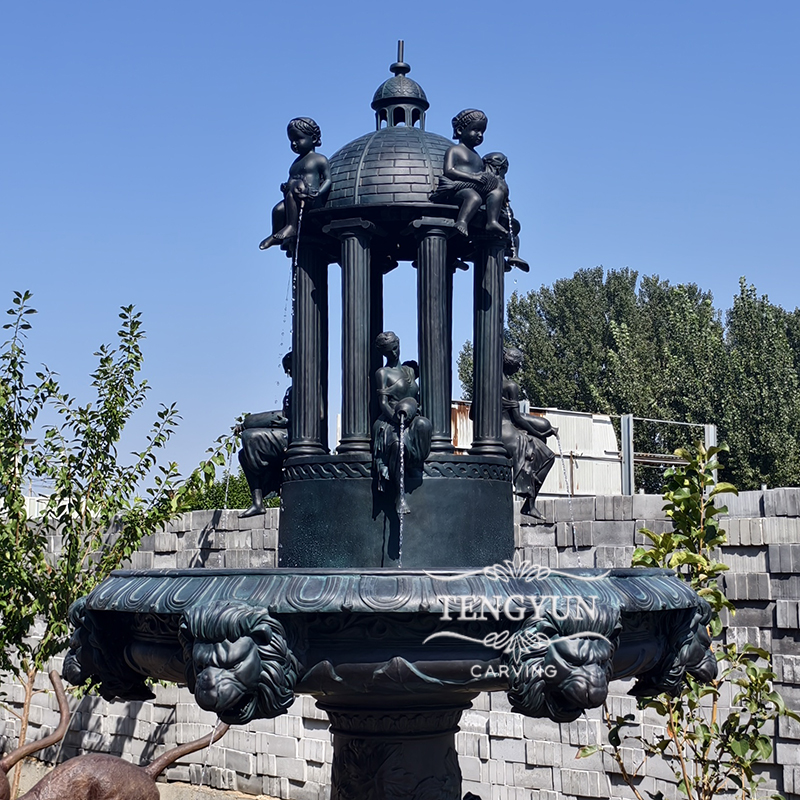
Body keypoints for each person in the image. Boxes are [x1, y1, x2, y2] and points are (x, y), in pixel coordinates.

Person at [372, 332, 432, 514]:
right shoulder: (382, 373)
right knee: (398, 444)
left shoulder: (409, 371)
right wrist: (397, 420)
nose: (395, 354)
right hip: (390, 421)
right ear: (383, 353)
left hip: (412, 417)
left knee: (424, 425)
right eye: (390, 352)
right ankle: (400, 495)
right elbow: (382, 404)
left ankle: (416, 462)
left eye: (396, 348)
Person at [430, 109, 508, 237]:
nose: (480, 135)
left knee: (497, 193)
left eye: (482, 132)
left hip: (478, 187)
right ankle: (462, 222)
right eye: (476, 130)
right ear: (460, 131)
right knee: (474, 198)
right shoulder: (454, 150)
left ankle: (492, 221)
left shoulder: (477, 156)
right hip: (460, 189)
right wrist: (472, 177)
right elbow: (449, 171)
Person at [501, 347, 557, 519]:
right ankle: (529, 504)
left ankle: (529, 500)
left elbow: (473, 414)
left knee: (537, 449)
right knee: (548, 456)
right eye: (518, 364)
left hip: (493, 432)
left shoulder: (486, 385)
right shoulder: (511, 386)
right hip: (508, 434)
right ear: (510, 364)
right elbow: (517, 419)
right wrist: (540, 433)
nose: (519, 368)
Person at [259, 118, 331, 251]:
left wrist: (319, 192)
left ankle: (291, 227)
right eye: (291, 141)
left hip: (310, 197)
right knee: (278, 210)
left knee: (296, 184)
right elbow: (291, 180)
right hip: (294, 197)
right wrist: (285, 187)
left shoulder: (319, 159)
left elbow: (328, 180)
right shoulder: (295, 164)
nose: (294, 144)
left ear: (313, 138)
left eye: (298, 139)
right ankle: (277, 234)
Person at [235, 352, 292, 517]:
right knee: (243, 454)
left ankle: (274, 481)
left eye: (288, 368)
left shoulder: (308, 388)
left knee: (249, 438)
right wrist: (246, 422)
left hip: (299, 437)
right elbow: (280, 414)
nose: (287, 372)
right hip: (286, 431)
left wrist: (289, 421)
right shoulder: (291, 390)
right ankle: (258, 502)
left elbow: (319, 415)